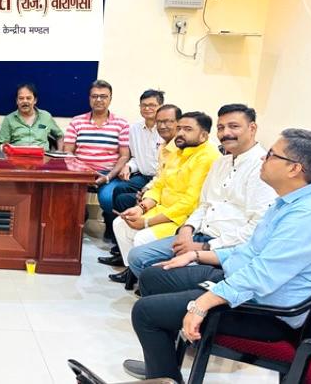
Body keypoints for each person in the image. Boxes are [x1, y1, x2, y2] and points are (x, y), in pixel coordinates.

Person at [124, 128, 311, 382]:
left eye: (272, 155)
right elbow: (249, 251)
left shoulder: (309, 216)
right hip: (241, 284)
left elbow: (262, 276)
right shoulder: (286, 203)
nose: (263, 158)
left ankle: (165, 377)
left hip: (263, 310)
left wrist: (202, 304)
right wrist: (195, 256)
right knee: (154, 276)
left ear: (294, 168)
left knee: (145, 313)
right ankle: (161, 363)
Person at [126, 104, 277, 277]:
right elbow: (204, 204)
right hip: (199, 232)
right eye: (221, 128)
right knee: (138, 257)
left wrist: (205, 247)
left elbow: (257, 227)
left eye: (234, 126)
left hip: (227, 247)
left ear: (252, 128)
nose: (226, 133)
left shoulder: (262, 167)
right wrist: (187, 229)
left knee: (154, 275)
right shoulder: (221, 163)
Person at [110, 112, 220, 285]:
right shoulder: (176, 150)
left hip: (182, 219)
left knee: (141, 238)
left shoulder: (207, 157)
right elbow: (159, 185)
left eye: (187, 129)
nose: (180, 133)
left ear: (203, 135)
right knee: (120, 224)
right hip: (162, 209)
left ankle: (151, 282)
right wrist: (141, 208)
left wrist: (147, 222)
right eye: (179, 128)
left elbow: (190, 203)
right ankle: (137, 274)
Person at [99, 103, 181, 267]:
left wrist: (146, 200)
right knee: (121, 191)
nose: (163, 126)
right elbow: (148, 168)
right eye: (160, 122)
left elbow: (168, 185)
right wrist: (131, 170)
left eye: (168, 122)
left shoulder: (184, 150)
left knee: (124, 199)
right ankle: (120, 248)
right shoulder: (139, 132)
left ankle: (129, 256)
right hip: (148, 180)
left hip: (169, 203)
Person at [62, 80, 130, 243]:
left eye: (103, 96)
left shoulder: (121, 124)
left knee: (108, 199)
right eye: (94, 96)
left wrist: (107, 177)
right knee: (63, 198)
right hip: (80, 172)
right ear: (89, 98)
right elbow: (68, 152)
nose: (98, 100)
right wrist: (82, 173)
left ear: (110, 98)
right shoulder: (77, 121)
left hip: (108, 173)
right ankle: (77, 223)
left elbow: (124, 156)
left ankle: (110, 225)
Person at [0, 83, 63, 150]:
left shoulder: (46, 116)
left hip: (43, 155)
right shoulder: (9, 119)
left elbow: (60, 136)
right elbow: (4, 144)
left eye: (28, 98)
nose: (25, 101)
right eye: (21, 98)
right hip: (18, 155)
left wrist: (59, 152)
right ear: (17, 101)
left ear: (35, 100)